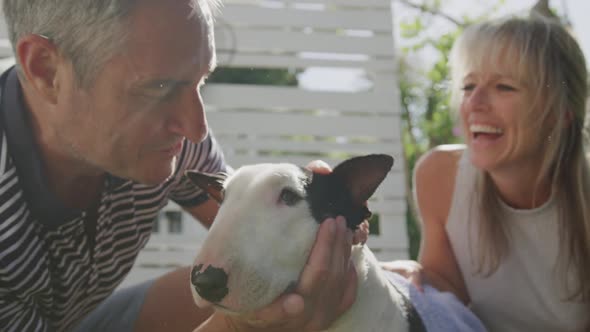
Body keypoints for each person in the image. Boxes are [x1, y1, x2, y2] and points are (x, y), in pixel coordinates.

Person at [0, 0, 366, 331]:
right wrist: (234, 329)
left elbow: (254, 234)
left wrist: (317, 223)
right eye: (159, 88)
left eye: (200, 82)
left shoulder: (170, 143)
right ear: (46, 70)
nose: (196, 128)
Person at [384, 16, 590, 332]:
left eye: (503, 87)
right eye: (468, 86)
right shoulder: (441, 177)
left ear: (562, 112)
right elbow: (446, 290)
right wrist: (416, 276)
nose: (474, 103)